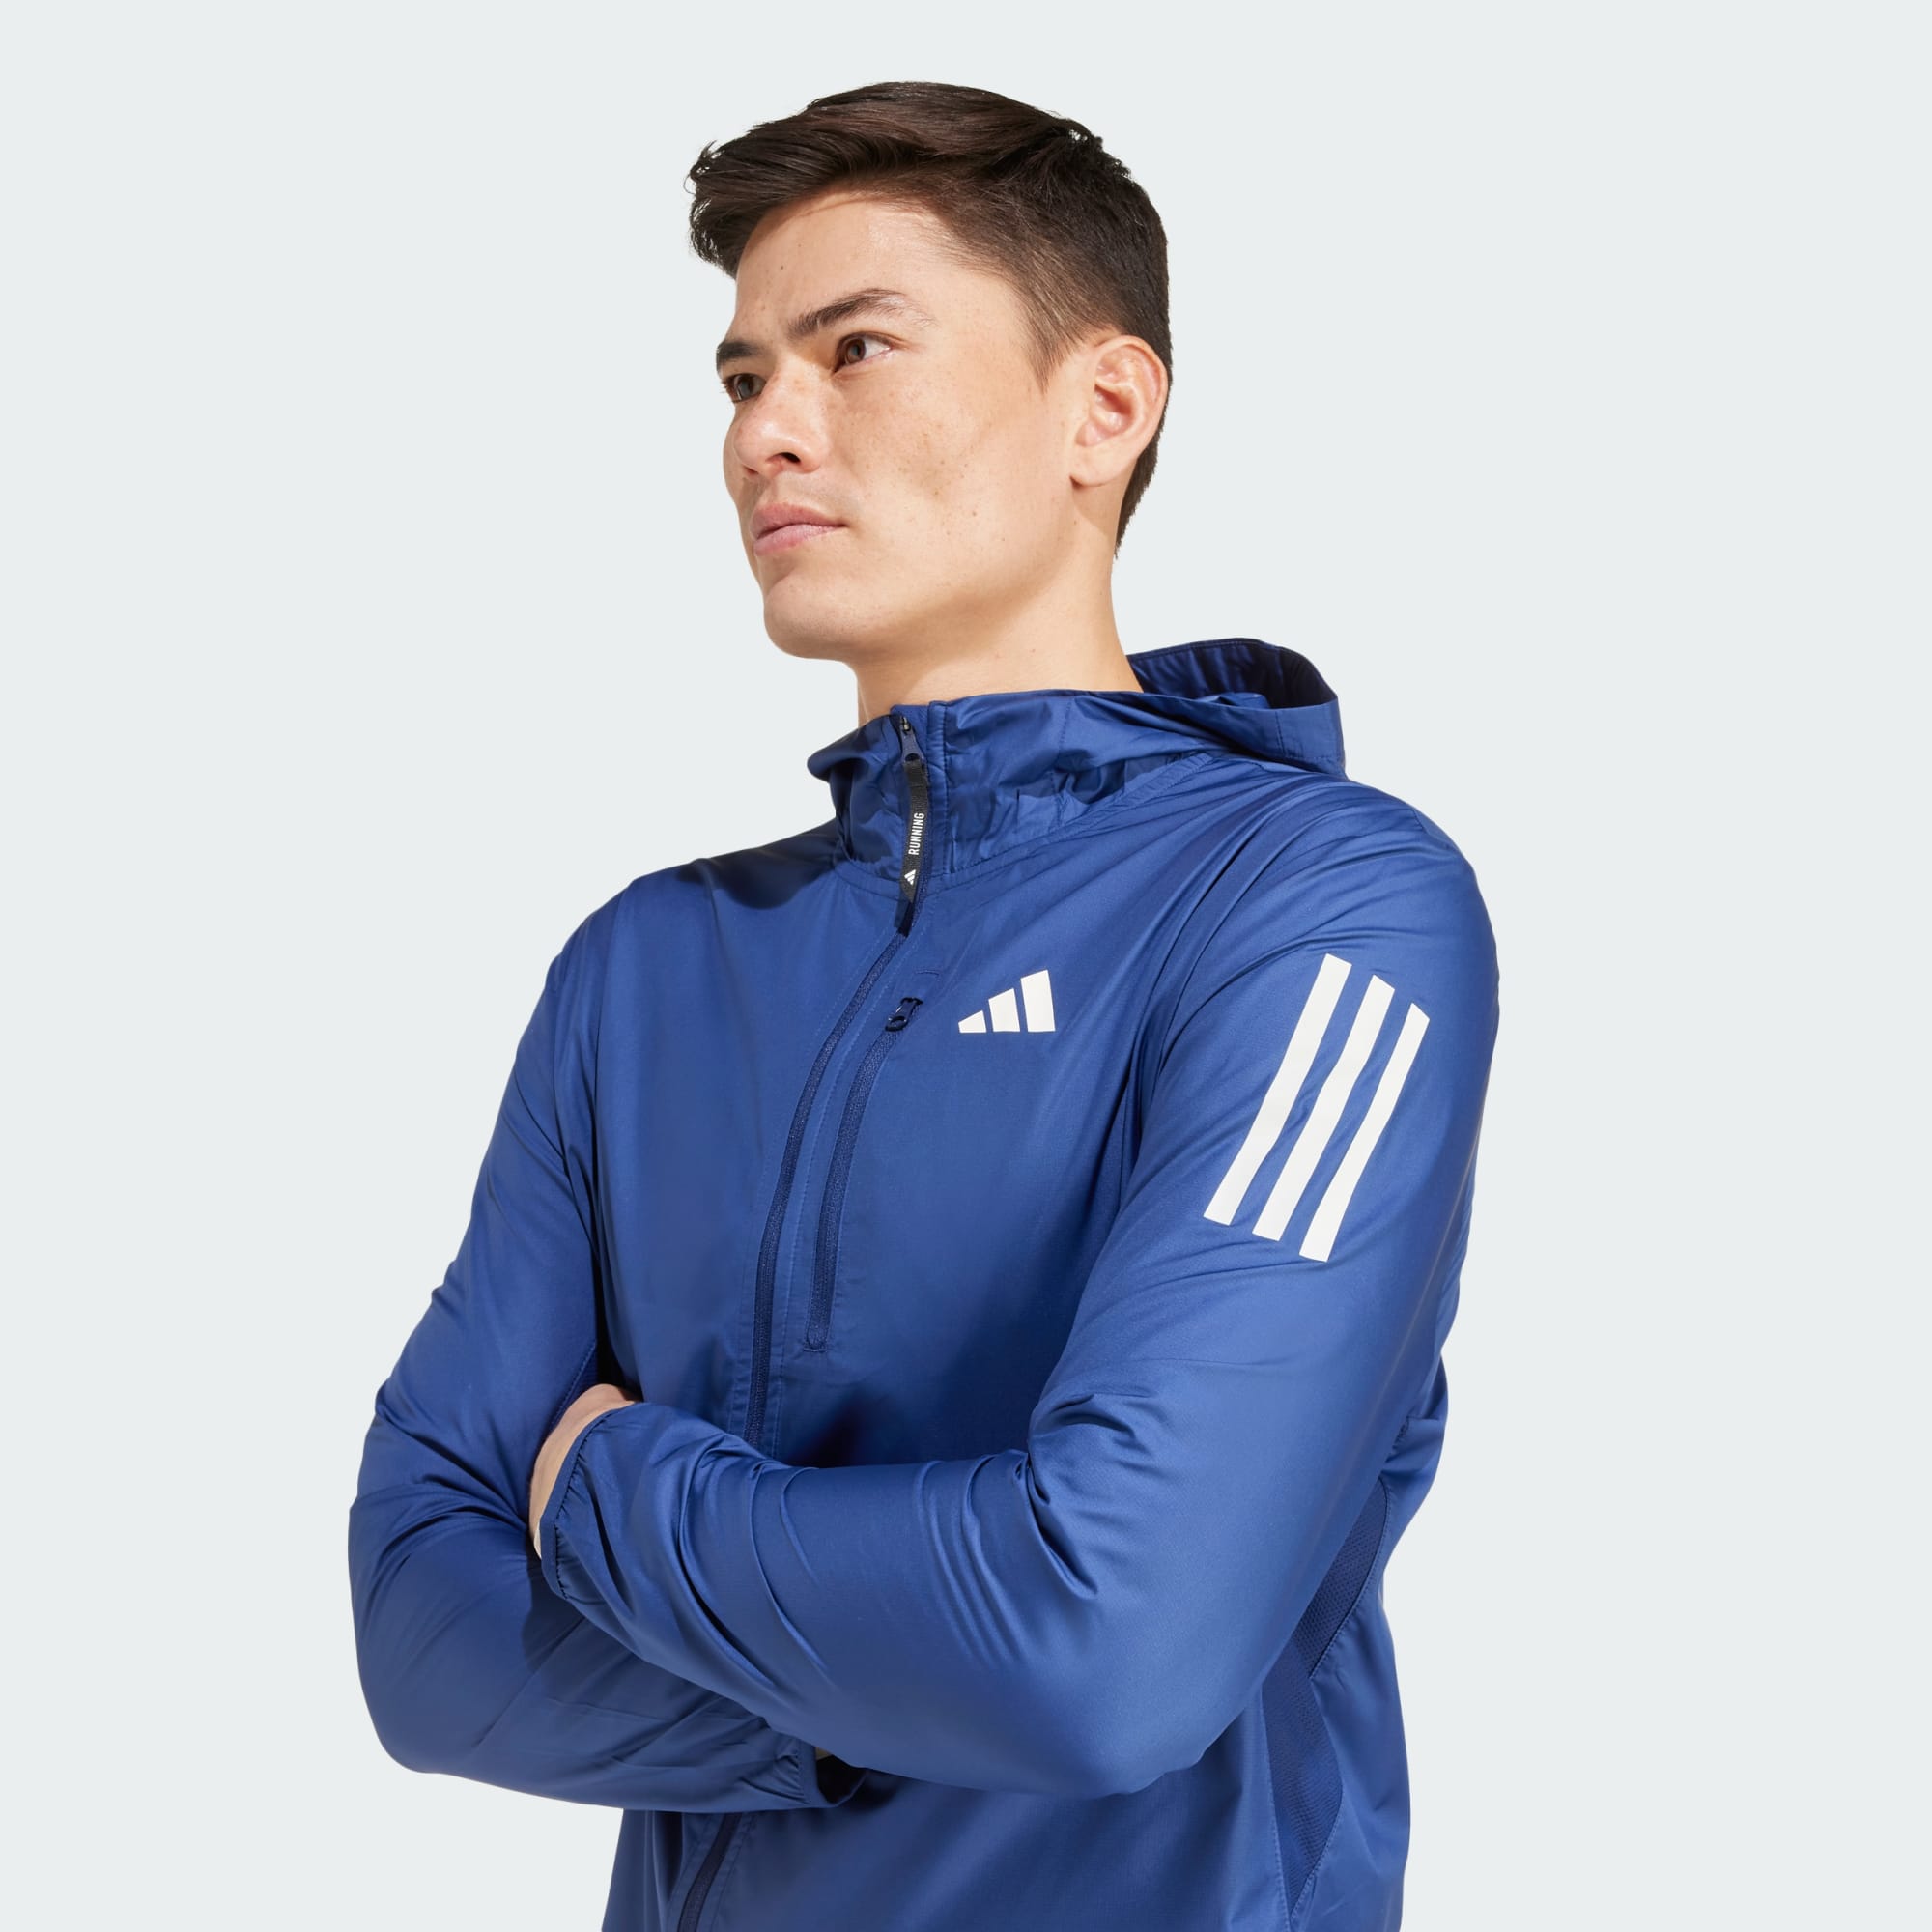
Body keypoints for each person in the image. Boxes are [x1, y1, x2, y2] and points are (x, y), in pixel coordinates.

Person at [347, 78, 1501, 1932]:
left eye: (855, 350)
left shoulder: (1325, 906)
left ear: (1104, 408)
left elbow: (1106, 1643)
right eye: (743, 377)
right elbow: (419, 1634)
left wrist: (610, 1483)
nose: (767, 431)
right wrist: (905, 1682)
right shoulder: (646, 969)